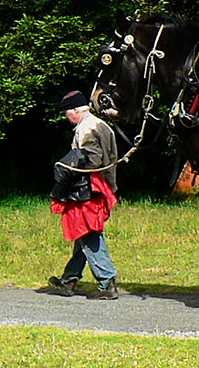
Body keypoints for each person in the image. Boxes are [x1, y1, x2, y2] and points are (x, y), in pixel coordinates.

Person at [45, 90, 121, 300]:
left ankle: (107, 282)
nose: (66, 116)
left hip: (86, 189)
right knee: (83, 234)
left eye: (67, 112)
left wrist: (65, 167)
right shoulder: (102, 125)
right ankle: (69, 280)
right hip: (99, 186)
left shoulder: (86, 129)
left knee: (87, 233)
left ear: (76, 110)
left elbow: (92, 159)